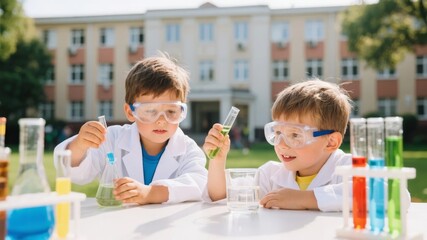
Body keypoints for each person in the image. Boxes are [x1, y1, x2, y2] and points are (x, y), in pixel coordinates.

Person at [54, 53, 207, 205]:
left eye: (171, 112)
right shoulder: (112, 139)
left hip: (165, 227)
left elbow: (198, 184)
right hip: (120, 224)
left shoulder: (188, 149)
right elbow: (76, 174)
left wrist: (150, 194)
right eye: (150, 111)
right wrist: (80, 145)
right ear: (130, 112)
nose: (161, 121)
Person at [203, 79, 352, 212]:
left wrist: (303, 199)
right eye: (277, 133)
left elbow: (370, 192)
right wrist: (217, 160)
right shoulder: (270, 174)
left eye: (295, 135)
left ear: (331, 142)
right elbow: (221, 196)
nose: (280, 144)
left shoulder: (347, 167)